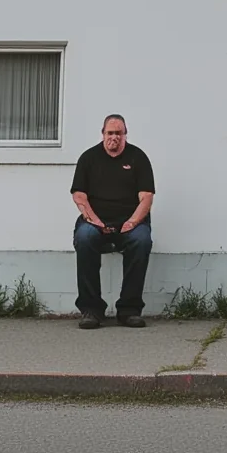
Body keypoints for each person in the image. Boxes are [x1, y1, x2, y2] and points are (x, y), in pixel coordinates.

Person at [71, 114, 154, 329]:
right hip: (95, 222)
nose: (114, 137)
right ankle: (91, 310)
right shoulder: (89, 158)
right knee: (85, 237)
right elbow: (79, 196)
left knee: (141, 241)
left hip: (131, 223)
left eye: (119, 133)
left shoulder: (138, 158)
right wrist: (95, 221)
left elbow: (146, 197)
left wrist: (133, 222)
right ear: (102, 134)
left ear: (125, 135)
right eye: (110, 133)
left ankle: (129, 310)